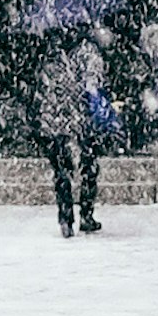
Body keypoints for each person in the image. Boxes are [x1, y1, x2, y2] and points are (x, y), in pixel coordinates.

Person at [32, 31, 111, 237]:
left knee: (62, 172)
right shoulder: (88, 52)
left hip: (55, 122)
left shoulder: (50, 55)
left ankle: (66, 218)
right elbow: (95, 86)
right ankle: (86, 215)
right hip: (81, 122)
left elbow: (42, 89)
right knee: (88, 168)